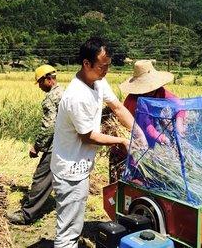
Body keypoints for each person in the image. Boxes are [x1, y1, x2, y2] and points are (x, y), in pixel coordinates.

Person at [50, 37, 134, 248]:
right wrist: (122, 140)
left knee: (74, 223)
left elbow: (117, 107)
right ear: (86, 64)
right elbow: (88, 136)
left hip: (81, 165)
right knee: (68, 232)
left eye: (108, 66)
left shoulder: (98, 81)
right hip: (70, 169)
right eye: (102, 66)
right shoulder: (76, 96)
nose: (106, 70)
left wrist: (138, 133)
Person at [108, 60, 184, 183]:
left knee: (144, 182)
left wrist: (179, 122)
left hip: (144, 145)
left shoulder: (160, 91)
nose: (151, 90)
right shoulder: (135, 101)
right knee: (125, 186)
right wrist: (164, 139)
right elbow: (147, 128)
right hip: (128, 146)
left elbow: (179, 104)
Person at [7, 64, 64, 225]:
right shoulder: (64, 92)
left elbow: (48, 127)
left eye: (39, 82)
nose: (39, 86)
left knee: (41, 178)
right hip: (68, 144)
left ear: (48, 79)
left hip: (56, 145)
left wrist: (36, 147)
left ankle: (27, 215)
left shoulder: (51, 97)